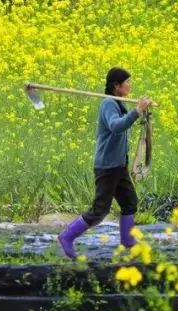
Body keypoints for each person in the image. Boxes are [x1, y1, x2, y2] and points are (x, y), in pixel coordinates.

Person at [57, 67, 152, 259]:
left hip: (119, 166)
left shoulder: (119, 102)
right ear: (116, 86)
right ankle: (66, 236)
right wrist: (136, 111)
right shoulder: (108, 103)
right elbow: (116, 126)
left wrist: (140, 112)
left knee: (129, 203)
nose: (129, 85)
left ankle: (128, 242)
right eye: (127, 82)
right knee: (100, 210)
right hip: (107, 167)